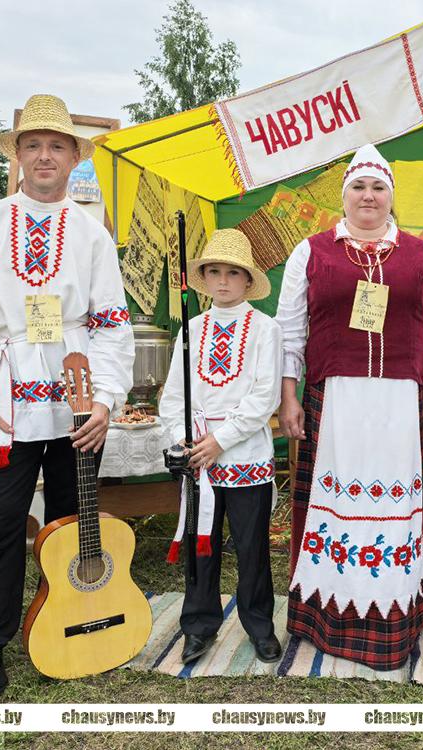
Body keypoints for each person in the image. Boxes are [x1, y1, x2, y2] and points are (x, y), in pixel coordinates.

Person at [0, 94, 134, 702]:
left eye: (56, 146)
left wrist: (104, 401)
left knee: (76, 527)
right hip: (4, 407)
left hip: (76, 405)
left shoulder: (92, 233)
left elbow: (110, 323)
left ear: (75, 157)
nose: (44, 156)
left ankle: (75, 634)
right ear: (18, 156)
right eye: (32, 145)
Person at [275, 143, 423, 670]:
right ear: (345, 196)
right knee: (332, 506)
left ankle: (395, 616)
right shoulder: (311, 252)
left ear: (391, 197)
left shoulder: (421, 254)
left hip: (399, 402)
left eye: (379, 187)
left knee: (393, 507)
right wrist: (289, 397)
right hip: (334, 402)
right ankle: (328, 617)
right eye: (359, 186)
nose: (369, 196)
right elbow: (290, 333)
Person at [158, 229, 283, 664]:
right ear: (204, 279)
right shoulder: (191, 331)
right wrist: (184, 439)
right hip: (198, 458)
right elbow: (173, 395)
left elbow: (265, 395)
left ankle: (260, 626)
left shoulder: (267, 330)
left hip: (245, 455)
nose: (224, 281)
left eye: (234, 273)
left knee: (252, 548)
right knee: (200, 543)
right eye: (215, 272)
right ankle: (198, 624)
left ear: (248, 281)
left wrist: (220, 440)